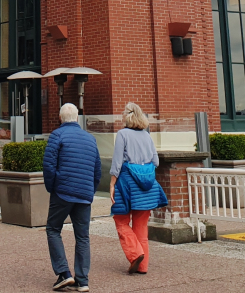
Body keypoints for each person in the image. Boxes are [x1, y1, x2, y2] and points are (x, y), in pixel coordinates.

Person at [43, 103, 101, 293]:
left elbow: (49, 166)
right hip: (84, 194)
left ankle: (63, 273)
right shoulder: (90, 139)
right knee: (82, 236)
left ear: (61, 118)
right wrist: (89, 191)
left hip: (63, 191)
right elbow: (97, 170)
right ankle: (82, 280)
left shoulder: (57, 135)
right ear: (77, 118)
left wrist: (52, 188)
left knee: (53, 228)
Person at [109, 102, 166, 275]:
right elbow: (155, 162)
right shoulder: (147, 136)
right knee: (141, 227)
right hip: (147, 188)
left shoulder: (122, 134)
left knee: (121, 221)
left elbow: (117, 162)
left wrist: (112, 183)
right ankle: (143, 266)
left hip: (127, 184)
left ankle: (136, 253)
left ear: (126, 116)